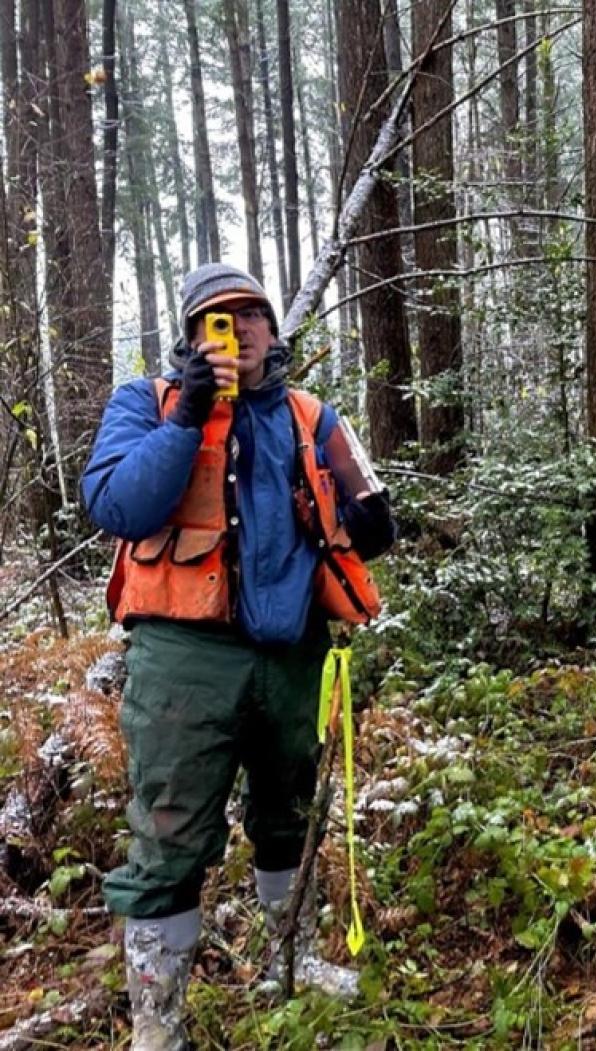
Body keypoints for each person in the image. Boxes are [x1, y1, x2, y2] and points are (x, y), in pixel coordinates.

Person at [82, 263, 396, 1050]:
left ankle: (288, 963)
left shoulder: (309, 415)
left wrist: (350, 503)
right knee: (169, 840)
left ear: (272, 329)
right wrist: (189, 412)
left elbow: (377, 524)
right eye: (219, 318)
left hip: (293, 653)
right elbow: (117, 504)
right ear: (191, 335)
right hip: (182, 659)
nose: (240, 328)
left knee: (288, 815)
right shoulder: (145, 404)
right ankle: (160, 1026)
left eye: (252, 313)